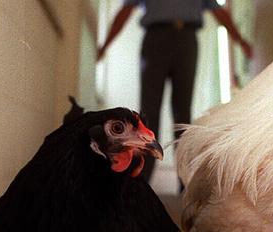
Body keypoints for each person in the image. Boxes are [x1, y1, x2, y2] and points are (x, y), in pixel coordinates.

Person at [97, 0, 253, 183]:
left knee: (183, 113)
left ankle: (185, 182)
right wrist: (105, 45)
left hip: (186, 40)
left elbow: (219, 12)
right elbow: (125, 10)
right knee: (148, 112)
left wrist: (241, 41)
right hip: (155, 40)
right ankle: (141, 181)